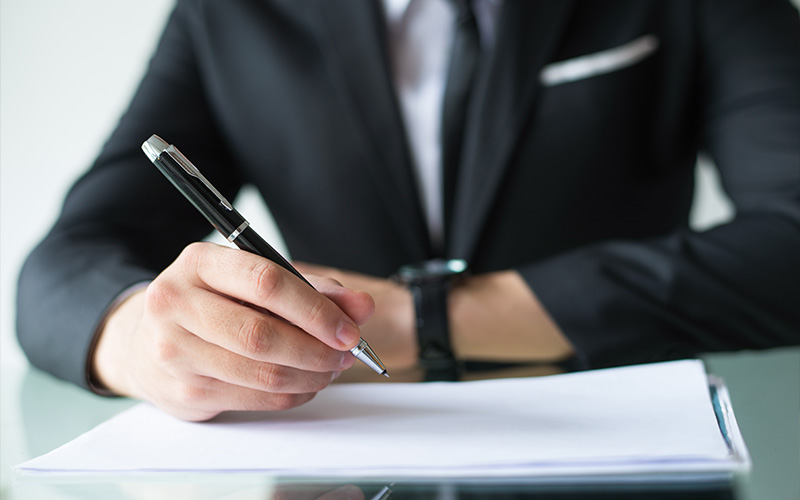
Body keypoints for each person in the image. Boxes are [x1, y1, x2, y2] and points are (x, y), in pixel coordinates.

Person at [17, 0, 800, 421]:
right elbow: (66, 263)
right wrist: (138, 337)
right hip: (347, 455)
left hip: (628, 442)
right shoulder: (228, 15)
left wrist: (420, 319)